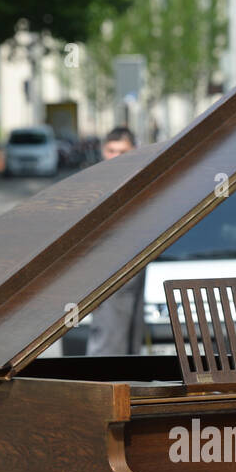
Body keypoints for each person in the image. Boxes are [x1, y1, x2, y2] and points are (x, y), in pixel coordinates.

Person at [85, 127, 146, 356]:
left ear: (135, 151)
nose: (116, 157)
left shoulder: (141, 183)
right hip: (104, 275)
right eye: (112, 151)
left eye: (123, 151)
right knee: (107, 349)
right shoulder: (94, 186)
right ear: (103, 151)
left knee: (130, 350)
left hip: (135, 273)